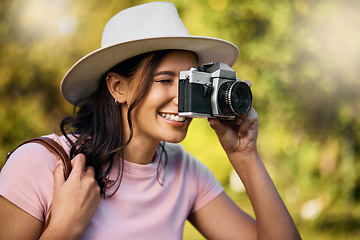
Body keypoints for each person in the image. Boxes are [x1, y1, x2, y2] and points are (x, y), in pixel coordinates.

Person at [0, 2, 301, 239]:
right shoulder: (40, 164)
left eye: (189, 83)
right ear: (118, 87)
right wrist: (62, 231)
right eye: (164, 80)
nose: (182, 100)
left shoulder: (185, 172)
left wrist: (244, 156)